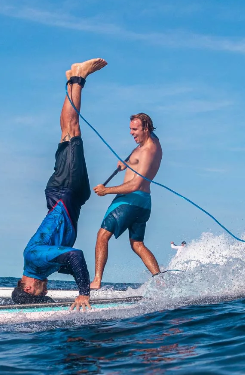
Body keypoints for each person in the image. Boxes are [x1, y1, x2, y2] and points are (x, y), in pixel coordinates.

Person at [13, 58, 107, 310]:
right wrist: (89, 280)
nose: (47, 292)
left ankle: (78, 78)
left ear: (28, 287)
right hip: (68, 196)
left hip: (65, 192)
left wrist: (83, 293)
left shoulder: (35, 259)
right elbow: (73, 264)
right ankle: (72, 79)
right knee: (68, 134)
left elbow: (75, 255)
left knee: (71, 132)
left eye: (40, 295)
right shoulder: (42, 266)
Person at [90, 113, 163, 289]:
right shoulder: (152, 141)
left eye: (135, 129)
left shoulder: (147, 150)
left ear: (146, 128)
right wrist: (128, 162)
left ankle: (97, 281)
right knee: (137, 244)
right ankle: (160, 281)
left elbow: (135, 184)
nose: (131, 133)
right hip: (144, 203)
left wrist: (107, 190)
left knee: (102, 236)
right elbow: (138, 156)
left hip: (129, 200)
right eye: (130, 129)